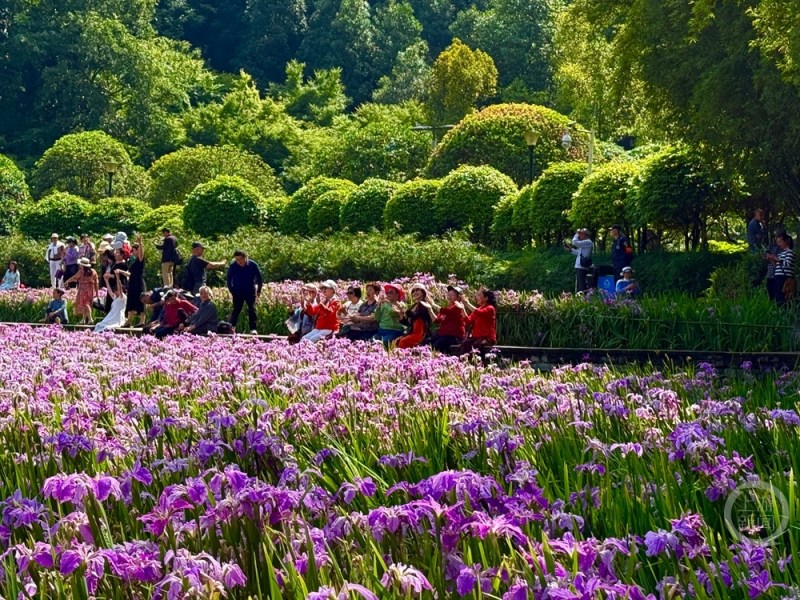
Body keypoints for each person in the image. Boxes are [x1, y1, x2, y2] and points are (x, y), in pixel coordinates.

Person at [226, 250, 263, 334]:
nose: (239, 262)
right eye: (237, 260)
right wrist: (231, 290)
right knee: (236, 309)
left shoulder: (253, 265)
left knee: (252, 309)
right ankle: (231, 327)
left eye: (240, 259)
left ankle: (253, 329)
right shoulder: (233, 266)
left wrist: (259, 290)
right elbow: (228, 279)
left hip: (250, 290)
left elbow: (259, 278)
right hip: (237, 291)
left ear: (245, 258)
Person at [116, 235, 147, 326]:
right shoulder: (134, 262)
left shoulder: (140, 260)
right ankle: (129, 320)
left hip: (139, 283)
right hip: (132, 282)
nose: (132, 252)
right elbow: (130, 274)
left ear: (137, 250)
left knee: (140, 301)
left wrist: (140, 243)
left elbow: (141, 254)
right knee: (131, 301)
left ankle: (142, 321)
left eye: (133, 250)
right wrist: (121, 272)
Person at [397, 283, 438, 349]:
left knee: (403, 341)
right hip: (412, 332)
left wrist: (405, 311)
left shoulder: (425, 304)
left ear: (423, 292)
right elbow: (407, 323)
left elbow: (417, 316)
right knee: (396, 341)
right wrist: (400, 312)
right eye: (413, 291)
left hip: (421, 333)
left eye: (417, 290)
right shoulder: (414, 305)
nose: (415, 292)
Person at [460, 288, 497, 359]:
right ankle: (464, 362)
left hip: (487, 338)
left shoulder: (490, 308)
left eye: (479, 295)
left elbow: (479, 312)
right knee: (465, 343)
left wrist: (467, 303)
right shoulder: (478, 309)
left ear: (486, 298)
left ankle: (479, 363)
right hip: (476, 337)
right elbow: (468, 321)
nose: (476, 297)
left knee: (476, 345)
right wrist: (462, 309)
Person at [432, 285, 467, 352]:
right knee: (428, 342)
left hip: (453, 336)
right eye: (448, 294)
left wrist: (432, 304)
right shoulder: (448, 307)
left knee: (437, 345)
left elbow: (446, 311)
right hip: (443, 335)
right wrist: (430, 309)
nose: (449, 296)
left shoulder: (458, 307)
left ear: (458, 298)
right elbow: (437, 320)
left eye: (452, 295)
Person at [65, 257, 99, 324]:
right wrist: (97, 292)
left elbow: (74, 277)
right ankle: (83, 319)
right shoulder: (93, 271)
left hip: (83, 290)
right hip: (90, 289)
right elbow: (96, 282)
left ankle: (90, 319)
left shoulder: (81, 272)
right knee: (86, 304)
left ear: (82, 265)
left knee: (85, 304)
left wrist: (67, 281)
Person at [768, 232, 795, 307]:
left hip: (784, 278)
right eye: (777, 242)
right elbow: (777, 266)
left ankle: (785, 311)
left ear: (786, 241)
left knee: (784, 297)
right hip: (778, 277)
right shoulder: (781, 253)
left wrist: (776, 258)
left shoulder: (790, 252)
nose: (778, 244)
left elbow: (787, 264)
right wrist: (771, 259)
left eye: (780, 242)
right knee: (778, 296)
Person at [567, 228, 594, 293]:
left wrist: (576, 233)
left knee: (582, 285)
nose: (579, 235)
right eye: (579, 234)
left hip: (582, 266)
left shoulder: (588, 242)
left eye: (581, 234)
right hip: (580, 266)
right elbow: (579, 253)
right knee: (580, 284)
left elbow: (574, 242)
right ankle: (582, 296)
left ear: (585, 235)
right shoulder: (585, 243)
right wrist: (571, 249)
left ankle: (584, 296)